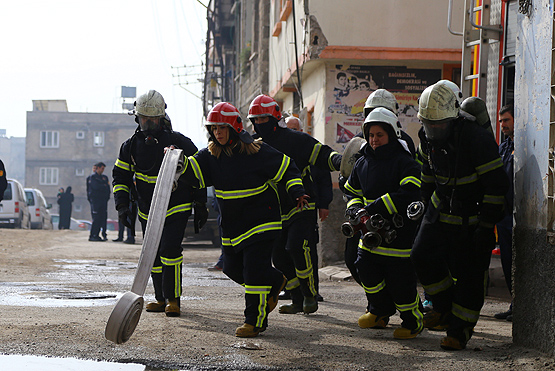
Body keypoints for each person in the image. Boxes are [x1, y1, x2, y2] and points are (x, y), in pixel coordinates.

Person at [177, 102, 307, 337]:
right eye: (214, 129)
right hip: (232, 225)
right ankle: (276, 280)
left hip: (261, 222)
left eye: (222, 128)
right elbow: (192, 173)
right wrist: (176, 163)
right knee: (232, 268)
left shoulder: (257, 151)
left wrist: (297, 192)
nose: (218, 133)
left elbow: (288, 168)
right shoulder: (210, 155)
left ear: (235, 127)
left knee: (254, 273)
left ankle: (254, 321)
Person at [410, 82, 509, 350]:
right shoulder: (426, 134)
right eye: (429, 124)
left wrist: (486, 226)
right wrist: (425, 207)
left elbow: (496, 186)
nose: (434, 130)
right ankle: (443, 307)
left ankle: (459, 331)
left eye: (438, 125)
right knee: (420, 255)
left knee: (470, 274)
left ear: (453, 118)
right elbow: (427, 173)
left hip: (472, 216)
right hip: (439, 208)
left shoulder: (476, 139)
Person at [113, 90, 207, 317]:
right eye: (144, 119)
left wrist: (200, 203)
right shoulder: (130, 147)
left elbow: (201, 173)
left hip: (176, 205)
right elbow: (121, 178)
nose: (148, 125)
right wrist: (122, 207)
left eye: (152, 120)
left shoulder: (179, 142)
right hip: (148, 209)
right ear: (138, 118)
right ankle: (160, 297)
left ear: (161, 117)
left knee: (170, 250)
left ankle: (173, 300)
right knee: (152, 254)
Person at [248, 94, 342, 315]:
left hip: (302, 204)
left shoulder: (294, 139)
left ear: (275, 117)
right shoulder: (253, 146)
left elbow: (322, 154)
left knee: (297, 247)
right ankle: (297, 299)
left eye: (264, 119)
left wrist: (340, 161)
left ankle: (310, 294)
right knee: (279, 257)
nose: (260, 124)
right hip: (273, 211)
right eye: (256, 120)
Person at [343, 107, 423, 339]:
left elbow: (409, 193)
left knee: (401, 282)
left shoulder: (404, 162)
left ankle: (413, 320)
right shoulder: (362, 162)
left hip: (398, 234)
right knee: (365, 269)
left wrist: (376, 206)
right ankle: (379, 311)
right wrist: (357, 210)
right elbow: (351, 192)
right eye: (371, 135)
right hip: (368, 233)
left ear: (391, 134)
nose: (374, 140)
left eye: (380, 135)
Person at [340, 89, 416, 286]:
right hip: (363, 218)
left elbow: (408, 187)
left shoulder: (402, 143)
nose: (375, 139)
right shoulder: (361, 140)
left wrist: (381, 206)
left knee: (395, 269)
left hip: (393, 220)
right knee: (355, 260)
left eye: (382, 110)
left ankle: (387, 303)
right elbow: (352, 175)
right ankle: (376, 303)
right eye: (372, 110)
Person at [285, 116, 333, 302]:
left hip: (308, 206)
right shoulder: (280, 149)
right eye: (289, 129)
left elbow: (323, 179)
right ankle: (292, 290)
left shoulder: (309, 149)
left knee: (308, 248)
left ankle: (313, 290)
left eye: (296, 128)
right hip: (286, 208)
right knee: (286, 249)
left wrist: (324, 204)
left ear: (302, 129)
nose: (293, 132)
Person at [494, 103, 515, 322]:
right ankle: (513, 304)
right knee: (507, 262)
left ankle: (519, 305)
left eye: (506, 120)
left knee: (518, 263)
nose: (502, 125)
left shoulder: (523, 145)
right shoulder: (503, 147)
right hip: (504, 215)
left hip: (517, 214)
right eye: (500, 121)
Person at [87, 162, 111, 241]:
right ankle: (93, 235)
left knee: (102, 218)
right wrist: (103, 186)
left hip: (103, 200)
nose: (103, 170)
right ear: (98, 168)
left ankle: (100, 234)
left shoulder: (104, 178)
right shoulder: (93, 177)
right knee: (96, 218)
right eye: (102, 168)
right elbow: (95, 187)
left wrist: (104, 188)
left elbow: (107, 188)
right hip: (96, 200)